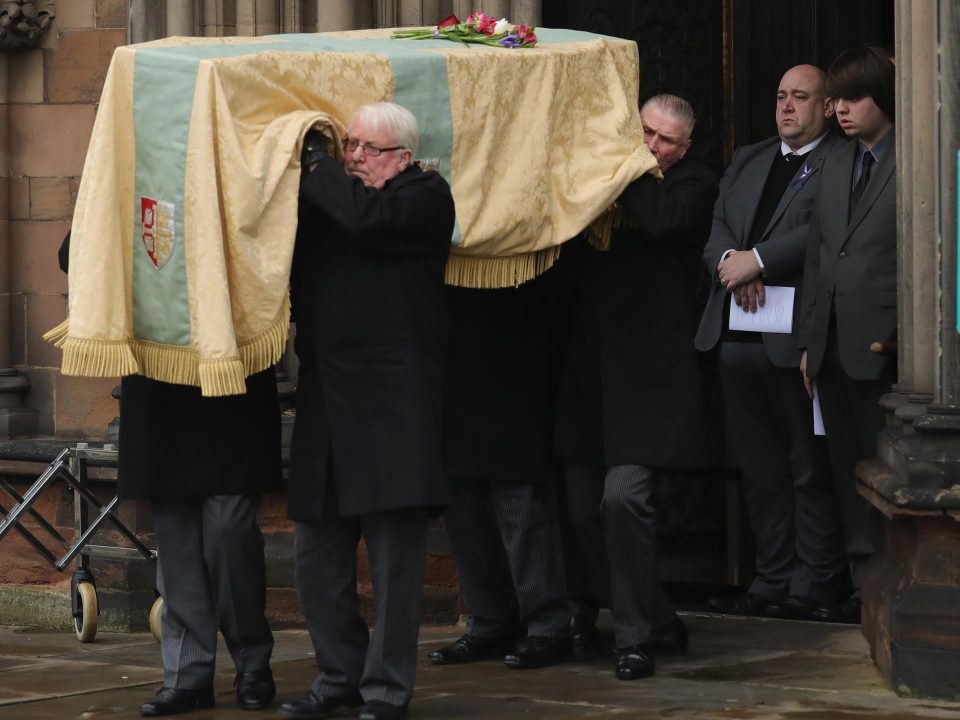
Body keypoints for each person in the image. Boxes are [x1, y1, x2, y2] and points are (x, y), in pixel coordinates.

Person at [58, 233, 281, 718]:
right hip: (160, 385)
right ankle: (187, 675)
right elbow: (70, 252)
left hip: (232, 379)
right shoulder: (136, 175)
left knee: (229, 533)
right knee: (177, 541)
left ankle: (252, 664)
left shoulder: (236, 169)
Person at [281, 102, 455, 720]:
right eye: (347, 144)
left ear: (402, 157)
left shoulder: (425, 196)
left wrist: (314, 160)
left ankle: (385, 690)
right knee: (316, 551)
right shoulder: (337, 199)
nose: (351, 156)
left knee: (394, 562)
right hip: (329, 399)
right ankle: (339, 675)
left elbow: (365, 221)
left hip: (393, 404)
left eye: (365, 148)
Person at [554, 94, 718, 680]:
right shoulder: (609, 176)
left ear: (685, 147)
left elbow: (665, 220)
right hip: (590, 373)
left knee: (623, 499)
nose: (652, 146)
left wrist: (622, 163)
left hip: (651, 379)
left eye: (666, 140)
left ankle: (633, 638)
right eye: (644, 133)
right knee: (580, 510)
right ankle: (658, 618)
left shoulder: (695, 182)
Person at [694, 65, 848, 620]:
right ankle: (772, 578)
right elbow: (717, 231)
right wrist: (733, 265)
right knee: (759, 469)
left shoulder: (843, 159)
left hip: (798, 339)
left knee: (808, 465)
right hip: (736, 335)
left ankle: (816, 581)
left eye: (800, 97)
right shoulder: (749, 158)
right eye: (781, 96)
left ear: (828, 106)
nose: (786, 107)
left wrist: (759, 260)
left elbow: (828, 231)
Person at [428, 239, 584, 671]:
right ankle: (488, 620)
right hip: (453, 344)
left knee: (517, 495)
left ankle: (546, 623)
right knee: (458, 497)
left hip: (520, 339)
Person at [798, 46, 897, 625]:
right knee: (844, 469)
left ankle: (893, 576)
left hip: (886, 346)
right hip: (831, 345)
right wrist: (811, 341)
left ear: (882, 97)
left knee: (887, 464)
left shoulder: (915, 157)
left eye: (853, 98)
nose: (840, 110)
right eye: (836, 99)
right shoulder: (835, 161)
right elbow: (817, 255)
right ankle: (862, 584)